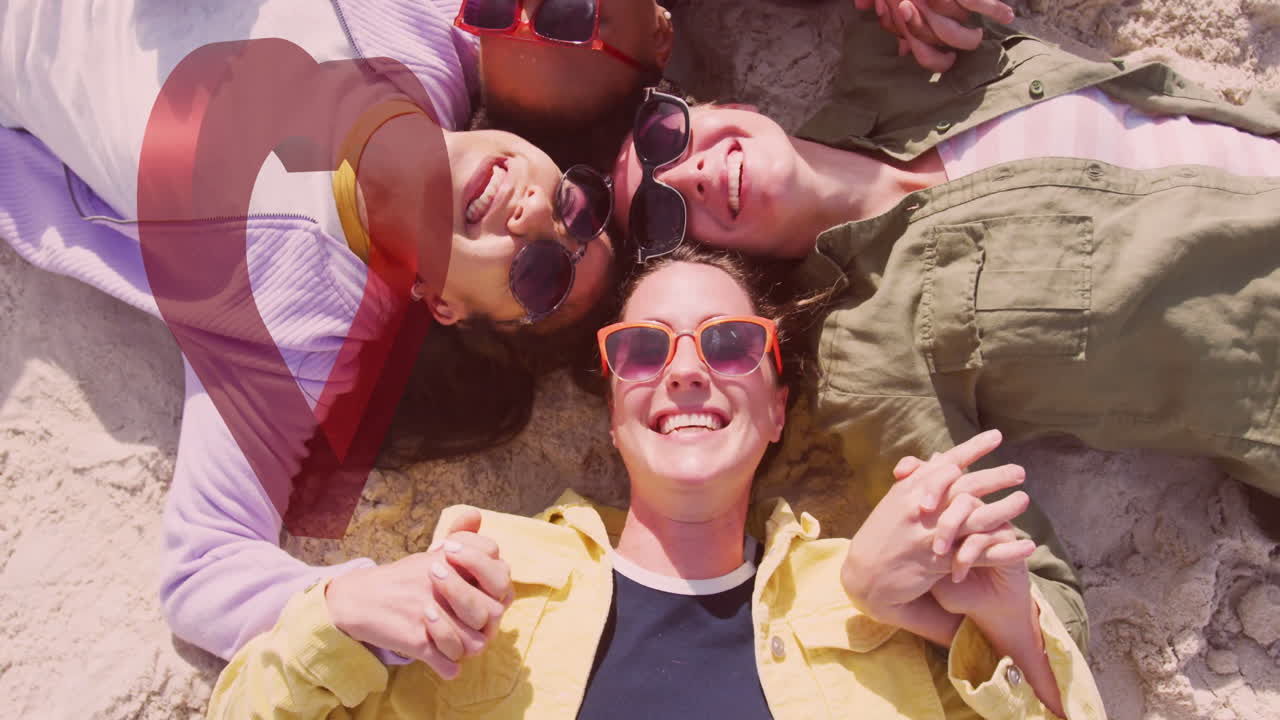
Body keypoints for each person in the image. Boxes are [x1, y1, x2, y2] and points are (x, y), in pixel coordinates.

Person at [204, 244, 1107, 719]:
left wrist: (1008, 626)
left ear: (778, 407)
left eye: (727, 343)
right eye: (643, 349)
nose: (684, 372)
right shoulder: (484, 579)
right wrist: (339, 614)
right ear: (611, 413)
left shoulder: (875, 603)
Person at [608, 4, 1280, 640]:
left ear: (728, 107)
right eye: (664, 215)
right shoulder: (868, 358)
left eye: (667, 137)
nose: (689, 173)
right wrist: (894, 592)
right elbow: (1034, 605)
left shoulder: (899, 59)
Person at [0, 10, 619, 668]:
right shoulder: (430, 43)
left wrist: (344, 599)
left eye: (541, 274)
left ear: (444, 306)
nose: (535, 215)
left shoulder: (293, 313)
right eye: (578, 208)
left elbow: (204, 569)